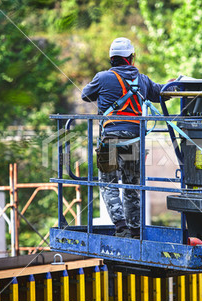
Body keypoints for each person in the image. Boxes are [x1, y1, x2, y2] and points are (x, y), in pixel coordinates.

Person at [81, 37, 167, 239]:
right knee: (132, 185)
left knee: (108, 182)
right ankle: (135, 230)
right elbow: (161, 92)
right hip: (135, 140)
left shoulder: (102, 77)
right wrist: (174, 84)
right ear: (131, 58)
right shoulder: (143, 80)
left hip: (110, 139)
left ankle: (121, 226)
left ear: (112, 59)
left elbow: (85, 95)